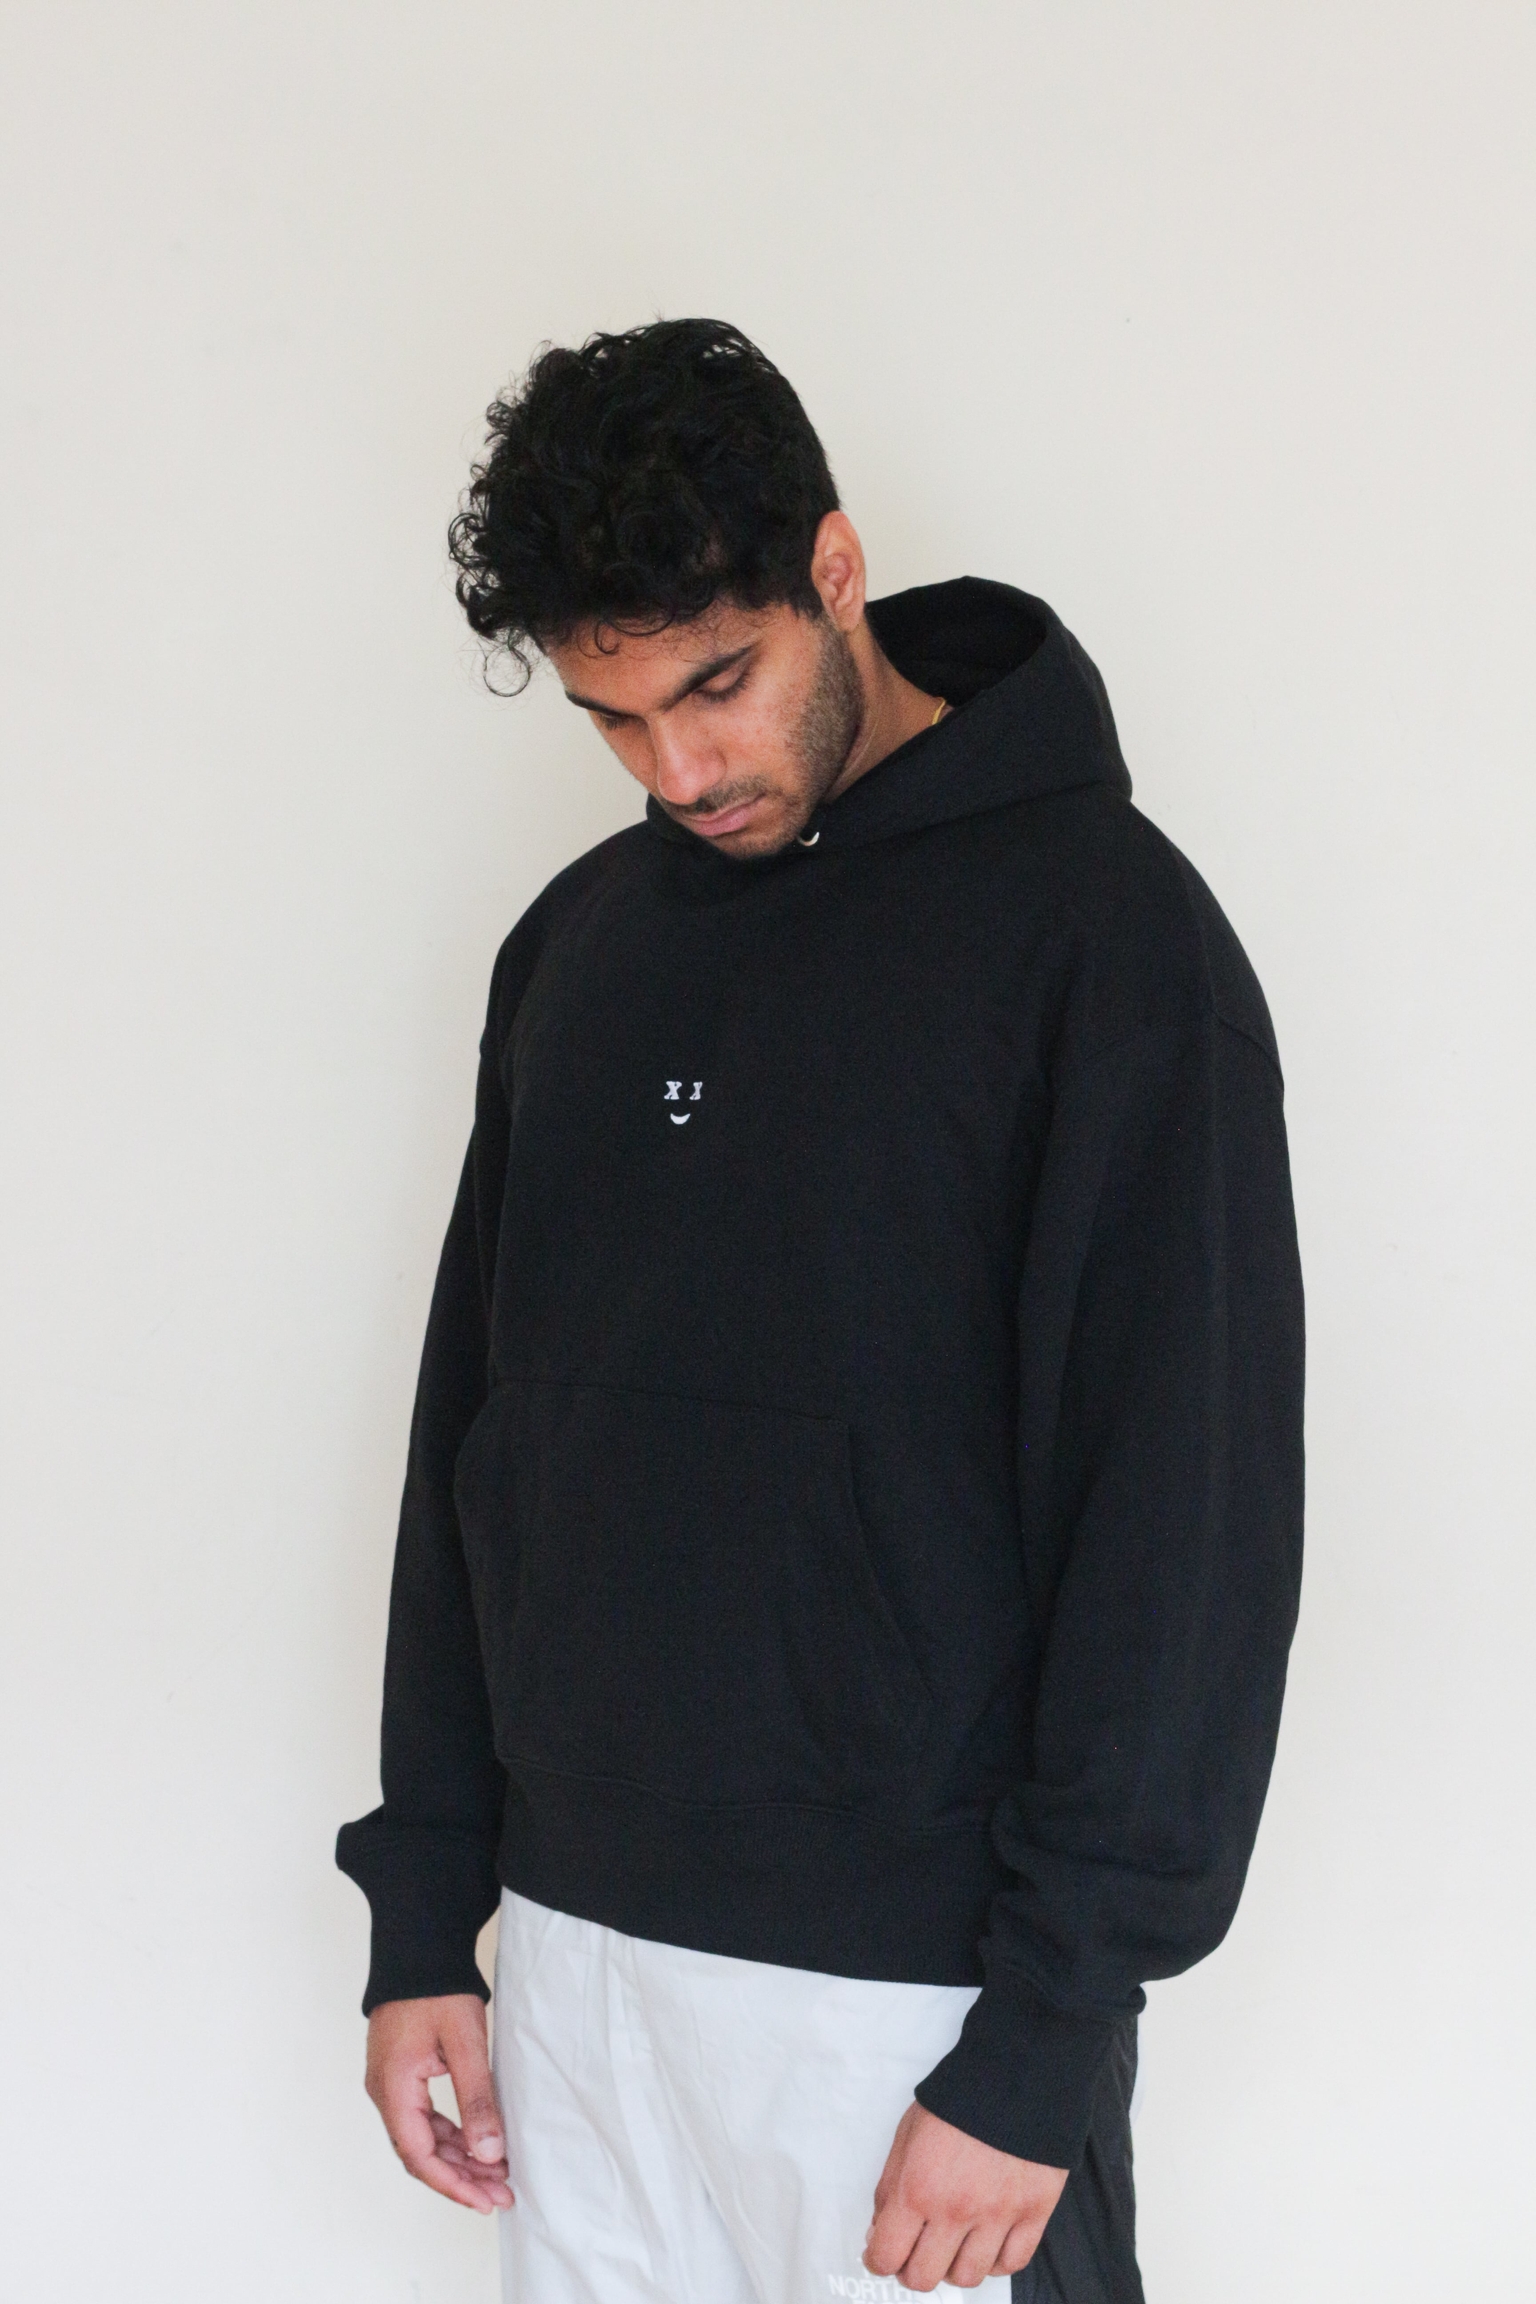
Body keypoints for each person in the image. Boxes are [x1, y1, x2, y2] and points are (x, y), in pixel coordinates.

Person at [336, 318, 1304, 2304]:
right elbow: (477, 1438)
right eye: (614, 719)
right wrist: (426, 1906)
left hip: (910, 2009)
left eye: (718, 685)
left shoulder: (1108, 941)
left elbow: (1182, 1518)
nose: (679, 770)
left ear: (835, 572)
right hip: (575, 1970)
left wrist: (1051, 2031)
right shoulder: (581, 949)